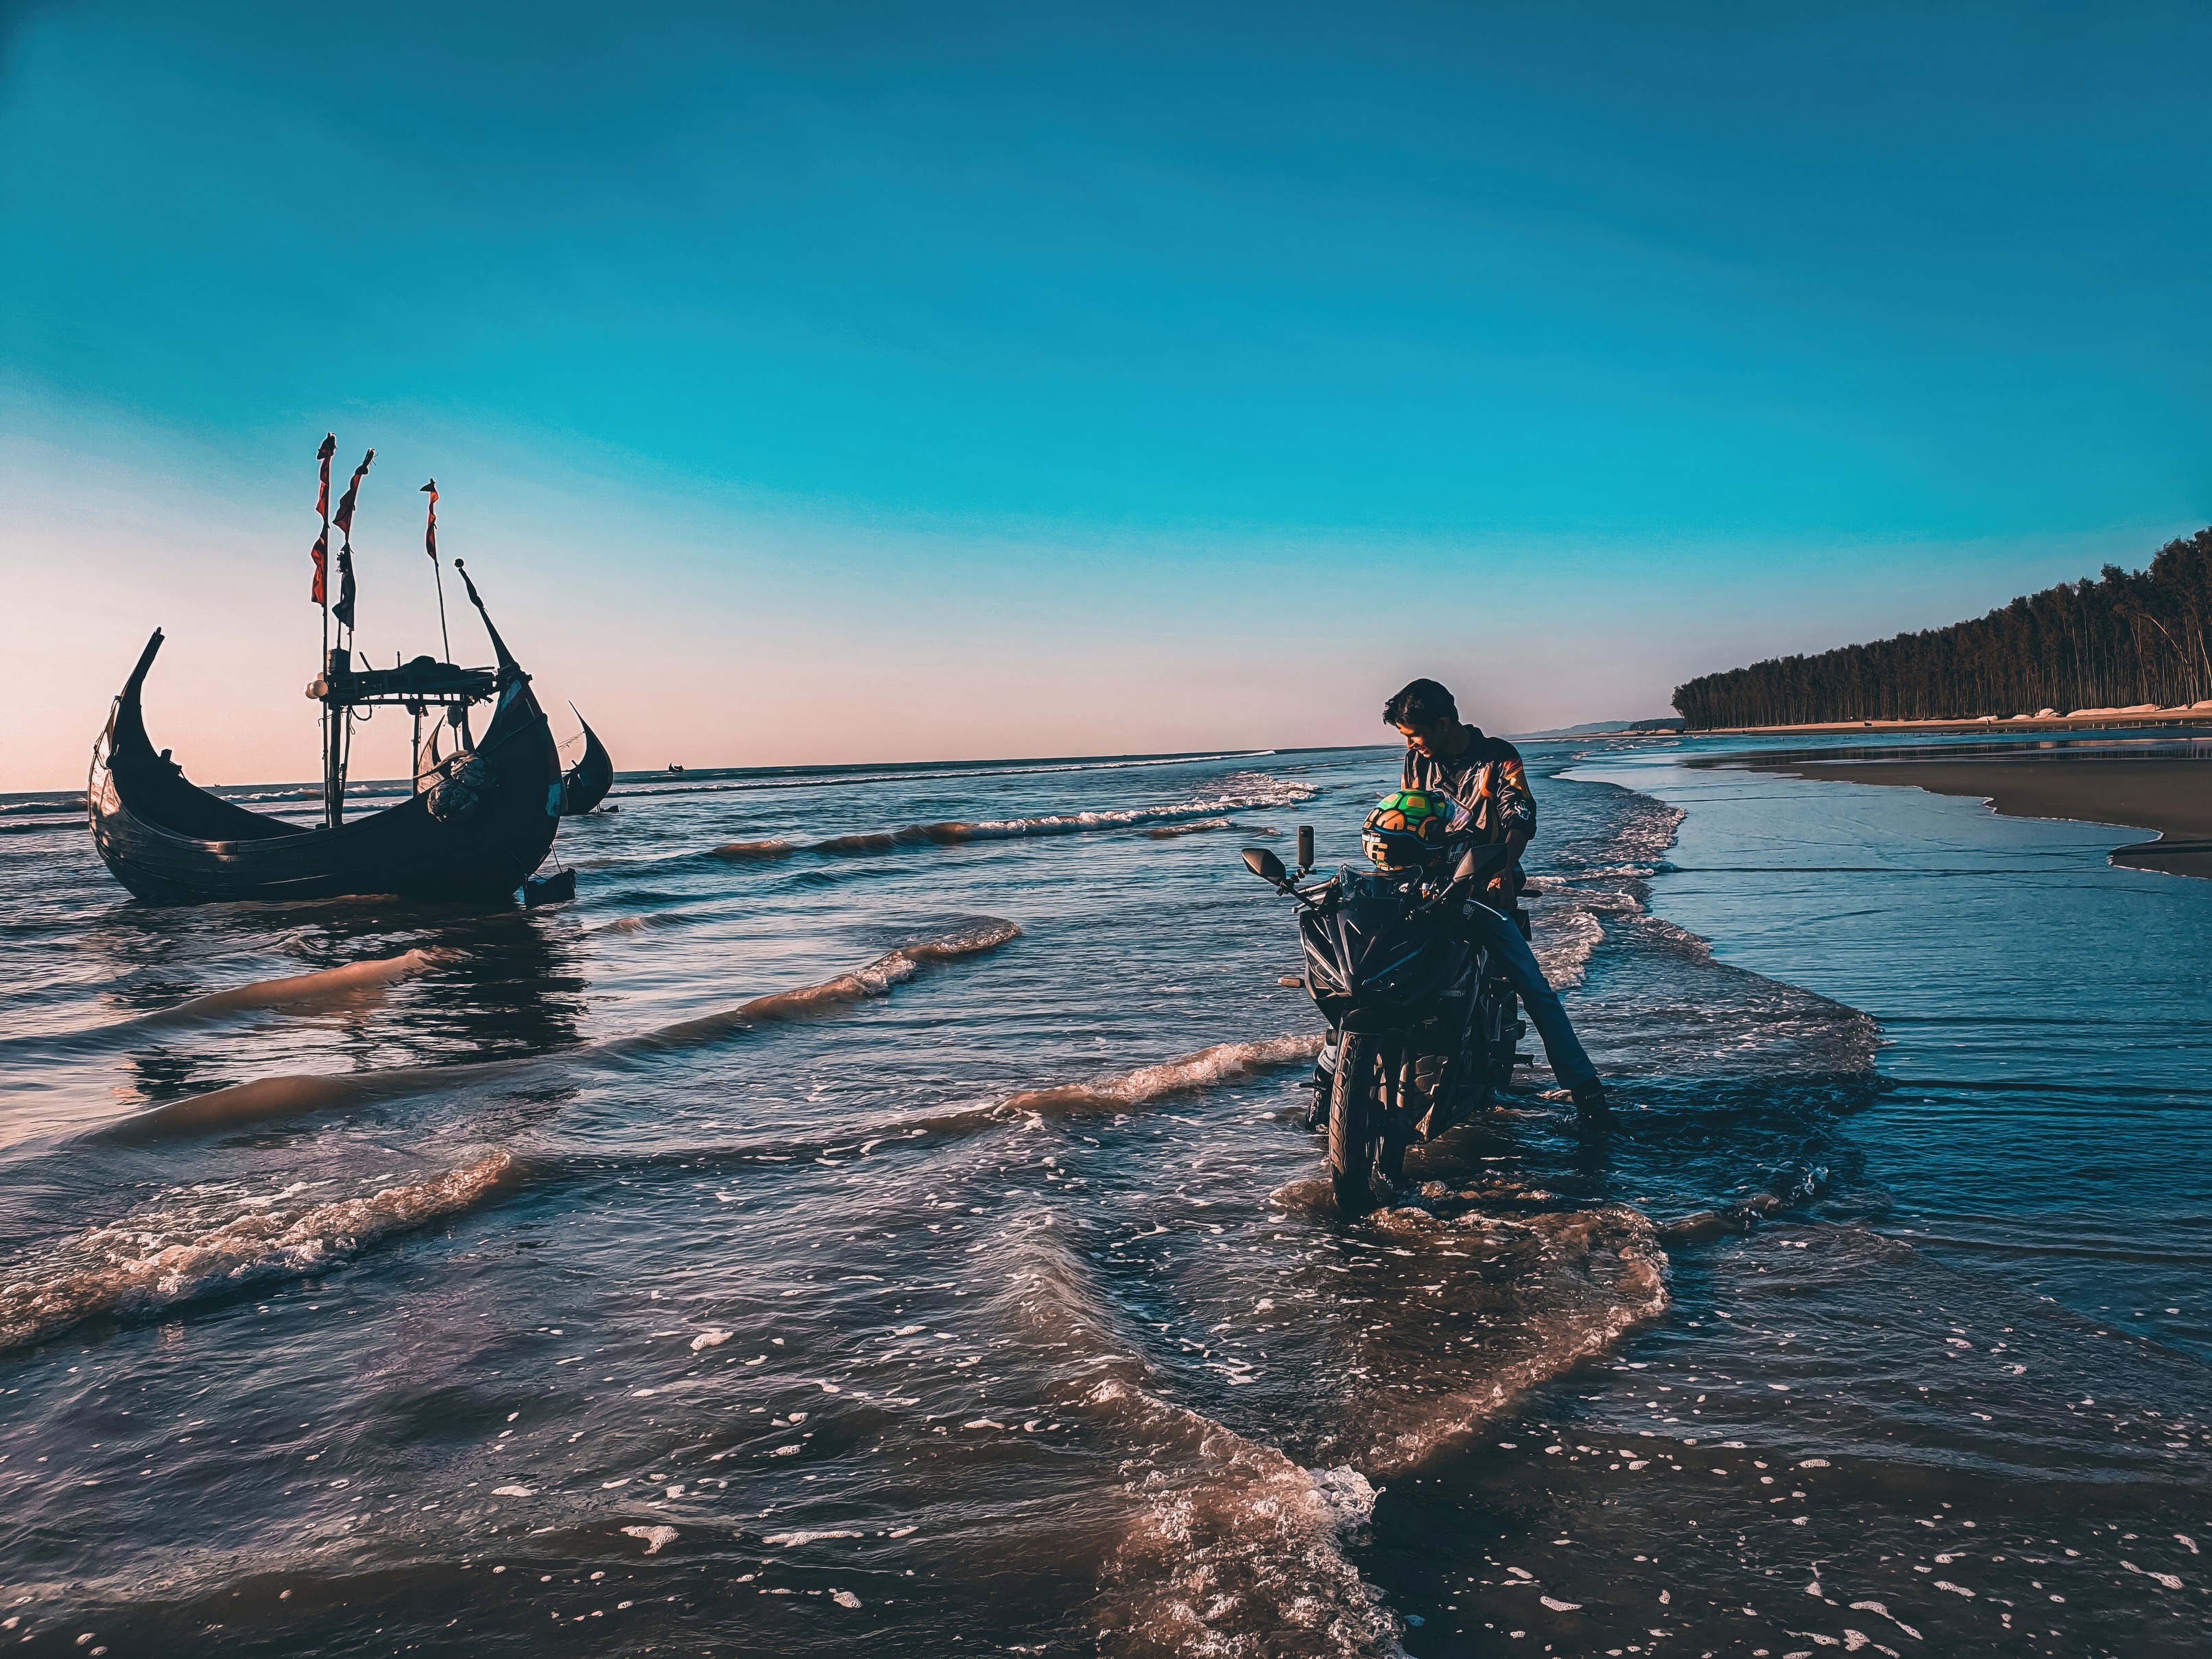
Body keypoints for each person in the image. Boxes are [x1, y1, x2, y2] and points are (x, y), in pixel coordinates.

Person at [1381, 677, 1610, 1124]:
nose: (1410, 744)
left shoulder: (1498, 757)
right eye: (1406, 737)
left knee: (1534, 987)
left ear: (1443, 722)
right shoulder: (1416, 760)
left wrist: (1504, 867)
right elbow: (1409, 815)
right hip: (1430, 887)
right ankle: (1336, 1083)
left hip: (1484, 883)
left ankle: (1587, 1093)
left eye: (1414, 734)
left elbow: (1518, 815)